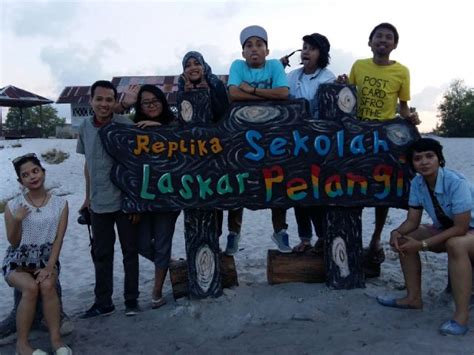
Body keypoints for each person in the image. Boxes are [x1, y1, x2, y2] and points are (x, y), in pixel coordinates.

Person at [337, 22, 420, 276]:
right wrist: (341, 82)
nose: (383, 40)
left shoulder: (402, 72)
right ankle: (356, 243)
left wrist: (411, 118)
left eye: (388, 38)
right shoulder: (358, 66)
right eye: (378, 36)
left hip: (385, 138)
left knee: (382, 191)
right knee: (355, 187)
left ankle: (375, 240)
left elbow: (403, 107)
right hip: (358, 135)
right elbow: (347, 97)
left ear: (394, 45)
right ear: (370, 41)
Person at [376, 138, 474, 336]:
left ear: (439, 159)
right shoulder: (418, 183)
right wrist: (397, 232)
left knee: (456, 244)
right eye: (418, 158)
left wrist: (422, 244)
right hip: (447, 229)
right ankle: (413, 299)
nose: (424, 162)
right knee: (403, 240)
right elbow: (412, 220)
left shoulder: (456, 182)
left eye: (430, 156)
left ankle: (461, 318)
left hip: (466, 231)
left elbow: (461, 227)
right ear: (412, 163)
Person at [77, 80, 140, 318]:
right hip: (98, 203)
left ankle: (131, 300)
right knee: (101, 254)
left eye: (109, 100)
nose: (104, 104)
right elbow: (88, 164)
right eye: (99, 99)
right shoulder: (84, 127)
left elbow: (136, 165)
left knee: (129, 253)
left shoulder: (125, 124)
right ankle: (103, 302)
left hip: (124, 202)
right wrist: (86, 197)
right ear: (91, 101)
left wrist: (135, 201)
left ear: (115, 102)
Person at [227, 25, 291, 253]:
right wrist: (267, 94)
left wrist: (251, 91)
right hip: (242, 136)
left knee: (277, 180)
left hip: (273, 136)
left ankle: (280, 231)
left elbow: (284, 92)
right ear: (243, 52)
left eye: (259, 44)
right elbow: (233, 93)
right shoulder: (238, 65)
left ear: (267, 49)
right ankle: (233, 233)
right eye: (249, 45)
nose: (254, 49)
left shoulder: (274, 65)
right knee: (238, 183)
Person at [3, 153, 72, 355]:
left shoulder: (60, 204)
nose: (32, 177)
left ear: (43, 171)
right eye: (26, 175)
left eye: (35, 171)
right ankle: (22, 345)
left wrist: (50, 266)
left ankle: (56, 340)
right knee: (31, 287)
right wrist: (16, 220)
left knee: (48, 284)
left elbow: (59, 238)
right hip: (17, 261)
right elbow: (13, 242)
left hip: (45, 258)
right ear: (20, 181)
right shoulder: (13, 205)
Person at [281, 32, 336, 253]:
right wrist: (278, 68)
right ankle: (305, 238)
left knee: (318, 192)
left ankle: (323, 236)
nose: (305, 51)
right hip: (295, 145)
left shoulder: (328, 77)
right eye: (304, 47)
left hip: (320, 145)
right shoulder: (292, 76)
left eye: (311, 48)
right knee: (298, 192)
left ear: (321, 53)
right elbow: (282, 98)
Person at [132, 84, 181, 309]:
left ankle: (157, 289)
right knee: (140, 243)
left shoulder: (174, 124)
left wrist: (159, 128)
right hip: (143, 196)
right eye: (145, 102)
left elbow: (185, 141)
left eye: (155, 101)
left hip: (169, 195)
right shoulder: (133, 127)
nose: (151, 105)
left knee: (162, 242)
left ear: (162, 101)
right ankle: (167, 263)